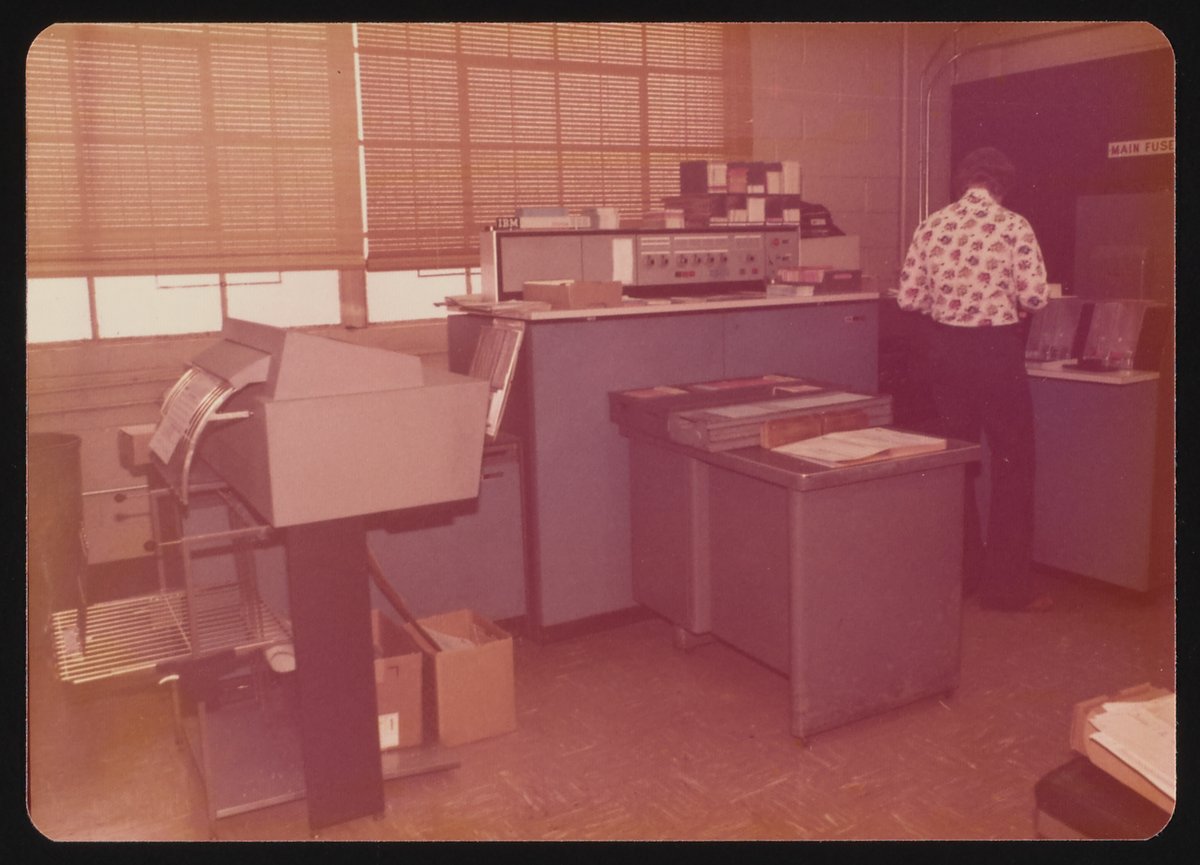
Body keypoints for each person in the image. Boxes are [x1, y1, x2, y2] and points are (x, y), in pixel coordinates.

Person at [898, 146, 1050, 611]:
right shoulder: (1013, 225)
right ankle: (1007, 588)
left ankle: (962, 576)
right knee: (1013, 462)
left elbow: (909, 298)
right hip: (996, 350)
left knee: (958, 460)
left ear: (964, 182)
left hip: (946, 353)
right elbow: (1035, 297)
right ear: (1003, 185)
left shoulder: (932, 225)